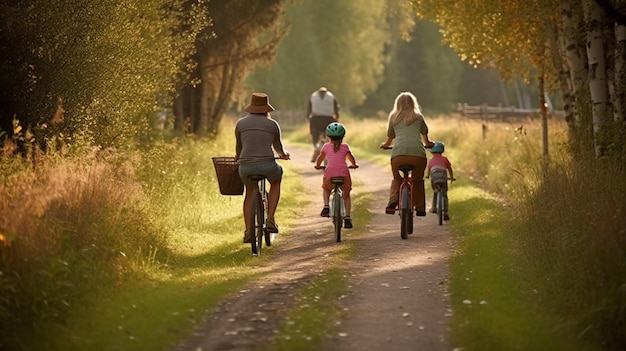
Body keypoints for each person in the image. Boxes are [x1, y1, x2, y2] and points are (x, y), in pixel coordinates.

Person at [235, 93, 290, 244]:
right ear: (266, 109)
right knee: (276, 181)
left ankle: (248, 231)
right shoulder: (272, 124)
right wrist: (283, 155)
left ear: (251, 107)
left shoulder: (240, 124)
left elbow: (239, 148)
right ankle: (270, 218)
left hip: (246, 167)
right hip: (268, 165)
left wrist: (237, 158)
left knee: (249, 193)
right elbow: (278, 147)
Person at [380, 92, 435, 216]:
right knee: (417, 180)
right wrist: (430, 144)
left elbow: (389, 140)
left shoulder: (393, 117)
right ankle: (420, 208)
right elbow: (426, 140)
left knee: (397, 179)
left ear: (397, 104)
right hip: (418, 156)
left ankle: (393, 201)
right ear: (413, 103)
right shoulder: (419, 117)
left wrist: (385, 145)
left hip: (398, 156)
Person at [314, 122, 358, 228]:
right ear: (343, 136)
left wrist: (318, 166)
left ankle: (326, 206)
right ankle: (347, 217)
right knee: (346, 195)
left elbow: (320, 158)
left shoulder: (325, 146)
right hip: (344, 174)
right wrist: (354, 165)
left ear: (328, 136)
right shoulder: (345, 147)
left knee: (326, 189)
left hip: (329, 173)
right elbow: (351, 158)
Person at [307, 86, 340, 162]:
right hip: (328, 119)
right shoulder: (331, 96)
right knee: (332, 135)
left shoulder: (313, 96)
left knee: (314, 135)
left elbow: (309, 108)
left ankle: (316, 148)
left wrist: (308, 117)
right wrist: (337, 117)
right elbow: (336, 108)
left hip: (316, 119)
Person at [426, 141, 454, 220]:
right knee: (444, 193)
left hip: (434, 178)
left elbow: (428, 171)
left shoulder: (431, 160)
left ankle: (434, 208)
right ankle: (445, 212)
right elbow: (450, 169)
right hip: (443, 177)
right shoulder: (445, 159)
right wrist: (451, 177)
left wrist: (427, 176)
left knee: (435, 190)